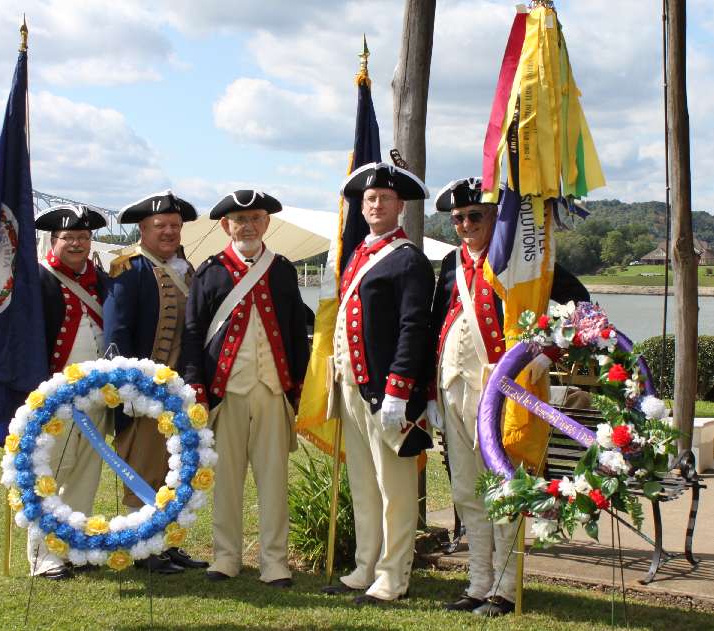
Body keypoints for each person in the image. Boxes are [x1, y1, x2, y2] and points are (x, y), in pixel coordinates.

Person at [428, 177, 590, 616]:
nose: (464, 224)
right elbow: (437, 324)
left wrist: (545, 352)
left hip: (502, 393)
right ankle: (477, 583)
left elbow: (582, 308)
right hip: (453, 389)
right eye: (458, 218)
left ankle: (505, 588)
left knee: (503, 488)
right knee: (466, 492)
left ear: (494, 216)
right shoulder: (451, 264)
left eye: (474, 216)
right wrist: (430, 391)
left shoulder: (523, 261)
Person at [182, 190, 309, 587]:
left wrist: (301, 384)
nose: (248, 226)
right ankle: (226, 556)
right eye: (240, 220)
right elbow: (192, 333)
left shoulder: (282, 269)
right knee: (227, 479)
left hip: (272, 391)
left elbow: (294, 331)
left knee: (273, 480)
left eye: (256, 218)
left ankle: (275, 562)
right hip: (226, 391)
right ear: (226, 226)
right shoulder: (211, 271)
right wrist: (196, 387)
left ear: (267, 223)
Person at [322, 162, 435, 605]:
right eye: (369, 199)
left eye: (385, 198)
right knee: (364, 485)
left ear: (400, 206)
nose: (375, 204)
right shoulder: (359, 254)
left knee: (395, 490)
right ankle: (365, 565)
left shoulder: (409, 259)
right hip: (352, 387)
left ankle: (393, 574)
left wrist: (400, 388)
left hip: (385, 392)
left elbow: (413, 328)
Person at [103, 190, 207, 574]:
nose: (168, 232)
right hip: (144, 392)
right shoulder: (129, 269)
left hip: (181, 391)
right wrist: (127, 387)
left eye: (175, 226)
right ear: (143, 229)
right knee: (144, 470)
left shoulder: (187, 269)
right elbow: (117, 331)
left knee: (176, 471)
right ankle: (142, 548)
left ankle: (166, 543)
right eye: (160, 225)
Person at [29, 204, 110, 580]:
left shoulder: (104, 281)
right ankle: (44, 555)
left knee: (84, 475)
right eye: (69, 237)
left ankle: (73, 548)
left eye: (83, 237)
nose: (77, 244)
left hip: (95, 398)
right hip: (54, 399)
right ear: (53, 240)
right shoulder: (37, 280)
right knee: (48, 474)